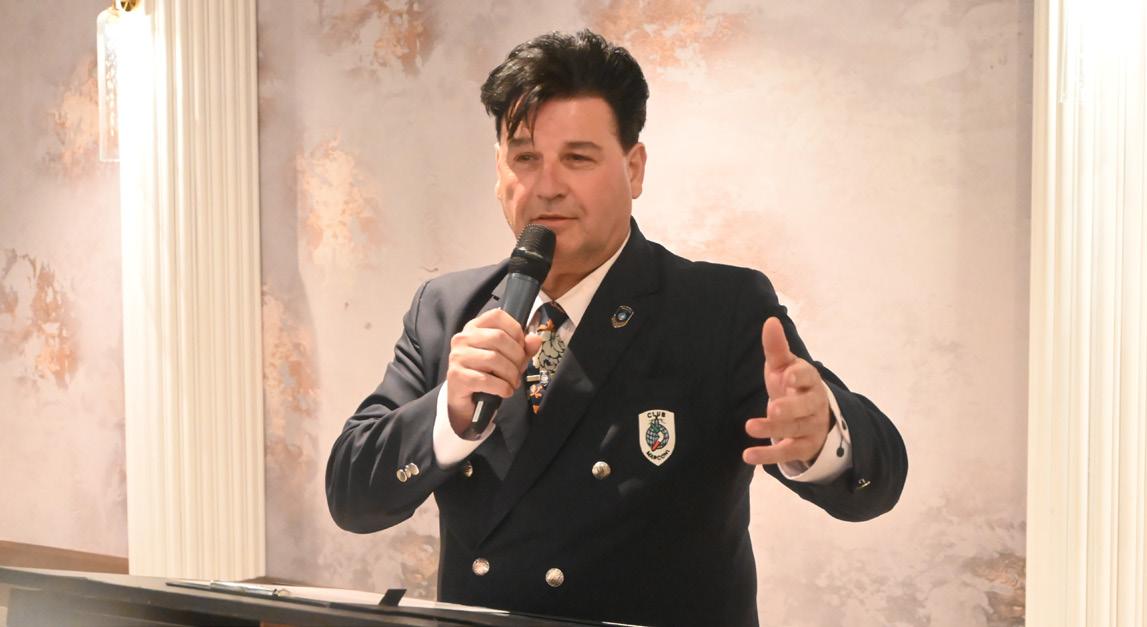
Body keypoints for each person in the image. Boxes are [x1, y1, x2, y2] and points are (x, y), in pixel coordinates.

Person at [326, 29, 907, 627]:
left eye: (577, 158)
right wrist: (447, 414)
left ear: (634, 168)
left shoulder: (718, 308)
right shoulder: (447, 309)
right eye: (525, 158)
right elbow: (351, 497)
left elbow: (877, 480)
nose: (547, 185)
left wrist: (820, 433)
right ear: (498, 170)